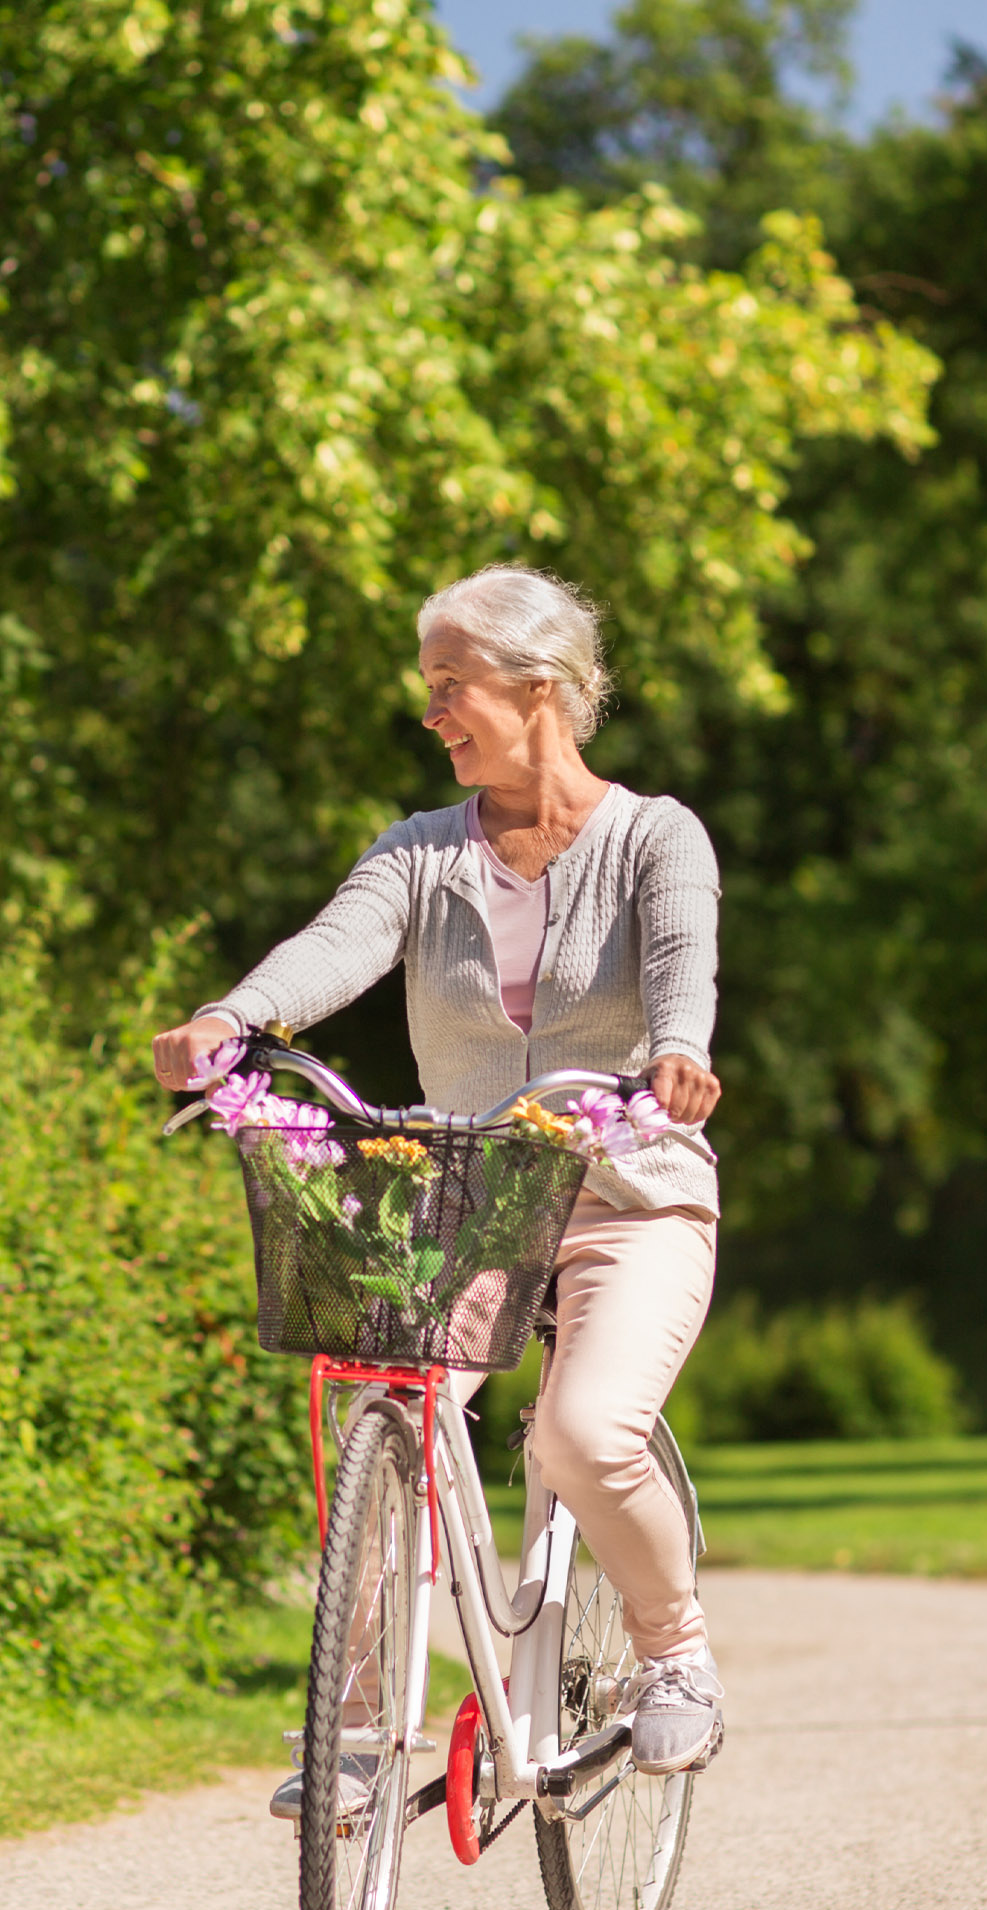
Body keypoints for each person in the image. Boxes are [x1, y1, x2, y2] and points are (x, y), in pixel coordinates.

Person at [152, 564, 728, 1796]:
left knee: (583, 1434)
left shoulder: (652, 836)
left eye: (451, 686)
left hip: (633, 1189)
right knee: (392, 1417)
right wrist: (230, 1017)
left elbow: (685, 962)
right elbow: (337, 942)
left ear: (540, 690)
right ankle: (360, 1729)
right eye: (432, 690)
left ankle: (675, 1652)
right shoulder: (420, 853)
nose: (436, 714)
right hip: (470, 1202)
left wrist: (679, 1052)